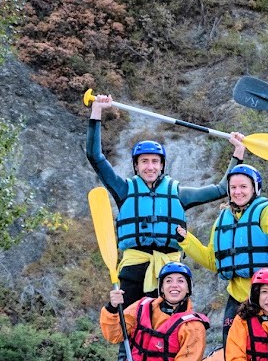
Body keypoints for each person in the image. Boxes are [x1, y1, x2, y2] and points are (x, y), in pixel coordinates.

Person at [86, 94, 243, 304]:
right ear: (136, 166)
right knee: (129, 329)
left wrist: (238, 153)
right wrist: (96, 112)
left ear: (162, 166)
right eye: (144, 162)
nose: (149, 167)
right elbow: (95, 156)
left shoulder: (178, 194)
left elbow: (222, 188)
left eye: (154, 162)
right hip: (133, 270)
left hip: (170, 273)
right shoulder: (124, 190)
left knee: (170, 330)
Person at [177, 164, 268, 343]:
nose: (237, 192)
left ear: (254, 189)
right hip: (236, 298)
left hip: (267, 297)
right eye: (233, 187)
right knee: (231, 349)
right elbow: (213, 261)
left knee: (265, 351)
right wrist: (186, 240)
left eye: (243, 187)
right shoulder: (222, 220)